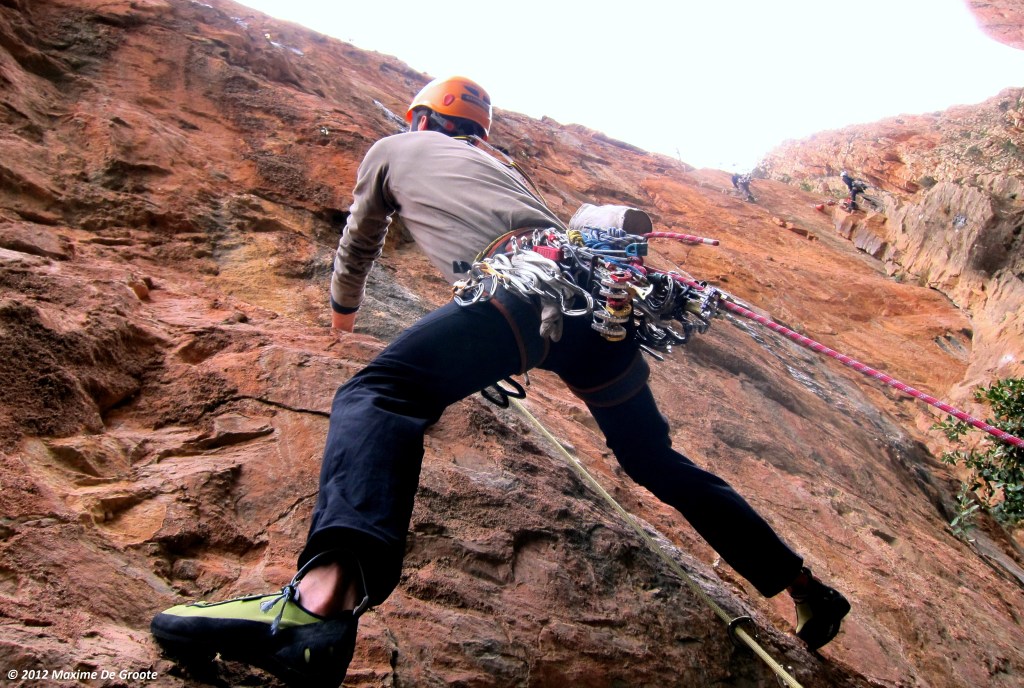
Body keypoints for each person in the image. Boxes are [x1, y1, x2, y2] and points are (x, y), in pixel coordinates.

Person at [150, 77, 851, 687]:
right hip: (596, 312)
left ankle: (316, 608)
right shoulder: (500, 168)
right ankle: (806, 588)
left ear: (419, 118)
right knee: (654, 461)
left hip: (519, 298)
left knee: (379, 394)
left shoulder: (394, 148)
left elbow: (360, 238)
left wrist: (341, 316)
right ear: (475, 132)